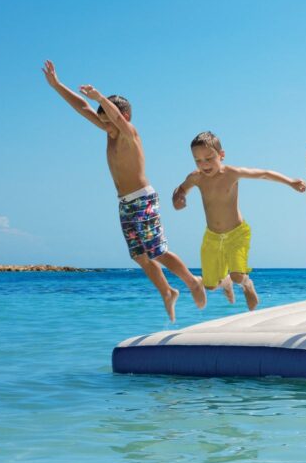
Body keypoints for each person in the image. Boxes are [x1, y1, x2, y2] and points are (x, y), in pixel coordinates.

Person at [41, 60, 206, 322]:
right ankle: (167, 292)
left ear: (124, 117)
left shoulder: (130, 133)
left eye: (108, 119)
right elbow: (83, 108)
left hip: (143, 199)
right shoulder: (110, 132)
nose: (105, 125)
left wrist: (99, 96)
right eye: (103, 121)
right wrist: (57, 85)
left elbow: (115, 117)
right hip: (125, 203)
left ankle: (192, 282)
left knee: (158, 252)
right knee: (140, 256)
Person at [172, 132, 306, 311]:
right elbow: (181, 189)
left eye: (209, 158)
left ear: (222, 155)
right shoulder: (196, 178)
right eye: (198, 160)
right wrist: (178, 198)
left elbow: (264, 174)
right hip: (212, 237)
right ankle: (226, 283)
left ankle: (246, 284)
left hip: (237, 233)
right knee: (210, 285)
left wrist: (290, 182)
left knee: (238, 275)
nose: (204, 164)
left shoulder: (231, 173)